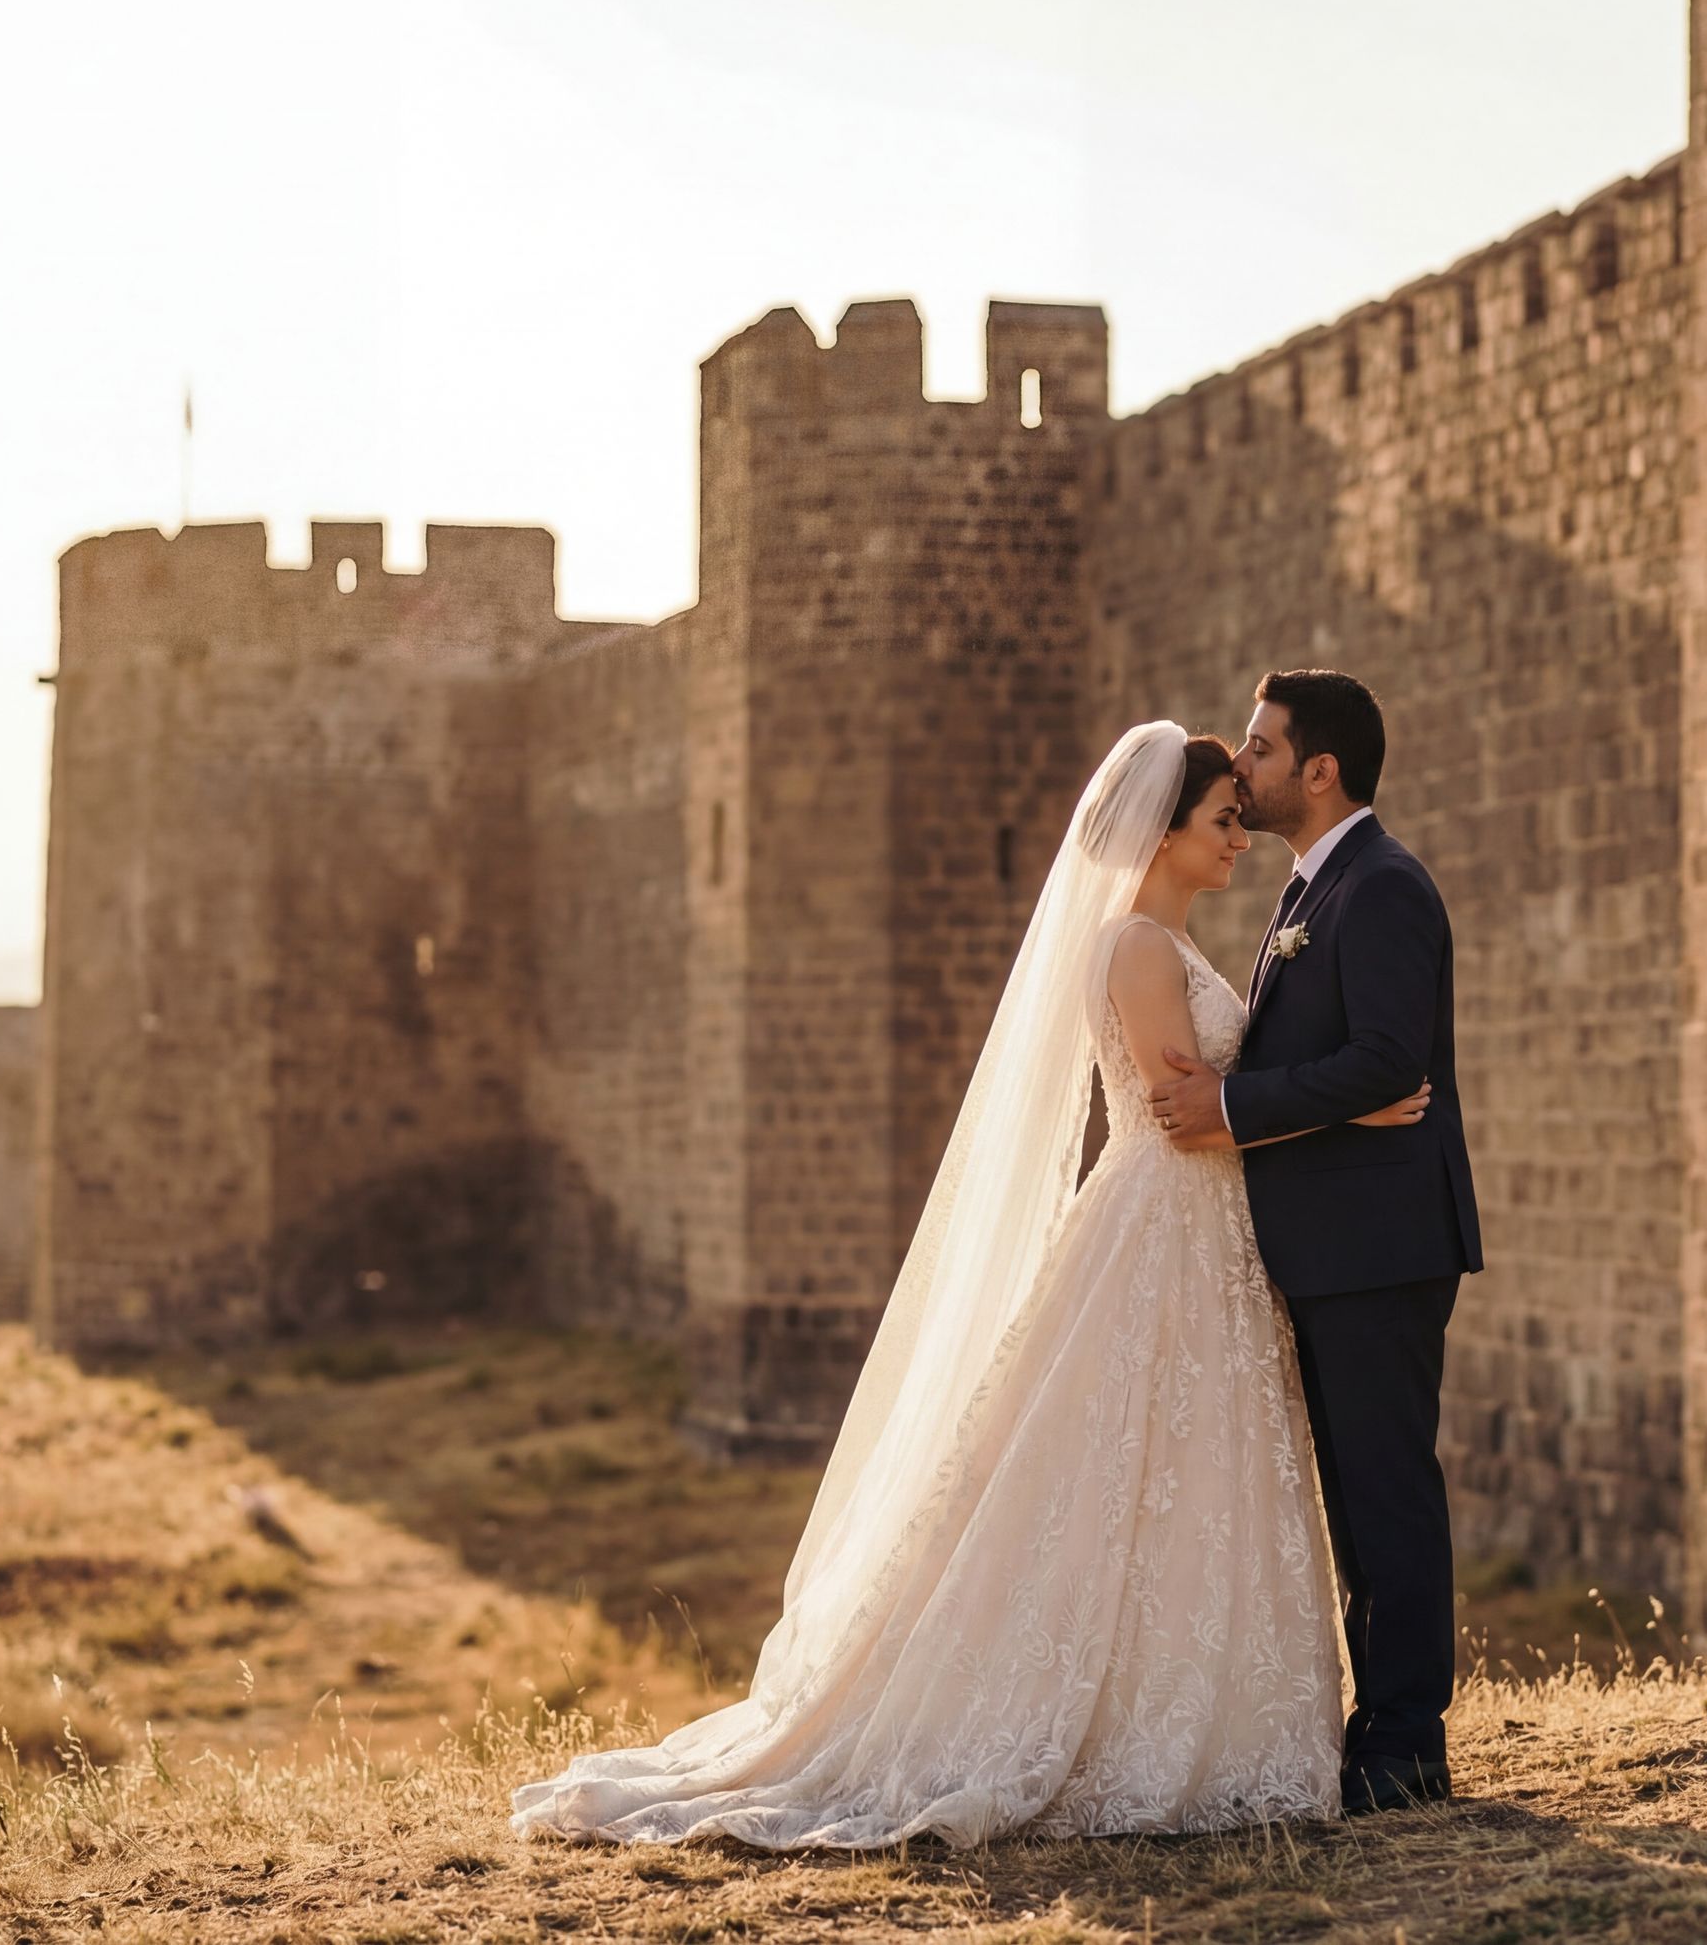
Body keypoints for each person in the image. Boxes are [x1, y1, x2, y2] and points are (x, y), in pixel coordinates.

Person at [511, 721, 1429, 1849]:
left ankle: (1199, 1703)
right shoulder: (1138, 950)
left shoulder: (1179, 946)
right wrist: (1345, 1103)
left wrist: (1319, 1099)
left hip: (1210, 1243)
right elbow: (1180, 1121)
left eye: (1240, 816)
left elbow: (1222, 1098)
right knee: (1123, 1473)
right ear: (1163, 832)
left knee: (1189, 1476)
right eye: (1221, 820)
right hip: (1164, 1228)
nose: (1237, 836)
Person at [1148, 669, 1482, 1814]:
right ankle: (1377, 1730)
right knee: (1355, 1489)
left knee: (1386, 1489)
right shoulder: (1308, 893)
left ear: (1319, 768)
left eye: (1261, 747)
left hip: (1381, 1243)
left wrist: (1237, 1111)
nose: (1242, 767)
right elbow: (1354, 1065)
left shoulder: (1379, 887)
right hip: (1335, 1243)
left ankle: (1404, 1742)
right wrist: (1313, 1097)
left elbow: (1393, 1058)